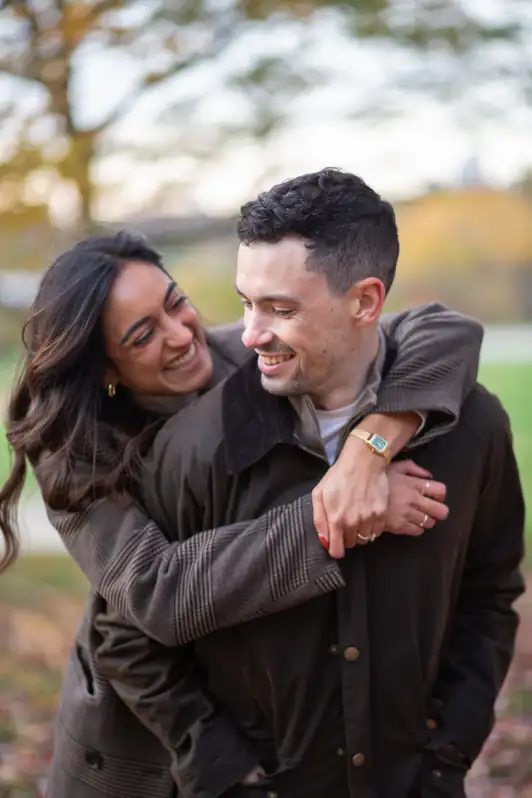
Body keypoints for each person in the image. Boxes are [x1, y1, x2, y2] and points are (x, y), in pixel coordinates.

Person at [0, 230, 481, 798]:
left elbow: (444, 330)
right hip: (140, 746)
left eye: (175, 302)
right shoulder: (73, 452)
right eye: (143, 334)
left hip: (253, 704)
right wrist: (340, 513)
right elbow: (158, 593)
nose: (182, 335)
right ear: (105, 369)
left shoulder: (242, 354)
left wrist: (368, 450)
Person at [91, 170, 523, 798]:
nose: (250, 335)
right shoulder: (192, 448)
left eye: (281, 309)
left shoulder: (473, 427)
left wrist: (447, 750)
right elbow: (129, 636)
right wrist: (225, 771)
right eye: (246, 302)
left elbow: (490, 594)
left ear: (365, 302)